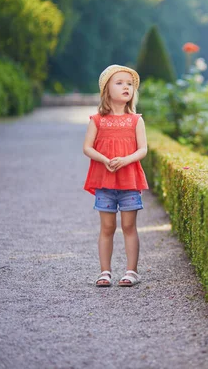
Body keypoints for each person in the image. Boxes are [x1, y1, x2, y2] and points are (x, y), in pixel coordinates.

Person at [83, 65, 149, 287]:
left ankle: (132, 271)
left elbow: (143, 150)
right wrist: (104, 159)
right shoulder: (97, 120)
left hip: (128, 181)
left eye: (129, 84)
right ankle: (105, 272)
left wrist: (126, 160)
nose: (126, 87)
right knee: (107, 227)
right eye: (119, 83)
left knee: (129, 226)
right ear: (106, 90)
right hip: (105, 181)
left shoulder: (135, 120)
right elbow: (87, 147)